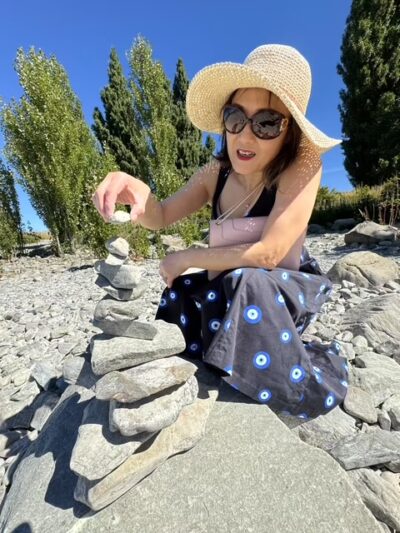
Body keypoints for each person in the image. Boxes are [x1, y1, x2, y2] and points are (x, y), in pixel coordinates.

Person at [92, 44, 349, 421]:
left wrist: (188, 256)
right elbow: (161, 215)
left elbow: (270, 254)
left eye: (266, 123)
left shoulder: (303, 164)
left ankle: (268, 374)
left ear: (289, 131)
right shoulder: (215, 172)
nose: (245, 137)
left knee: (251, 282)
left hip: (281, 289)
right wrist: (137, 190)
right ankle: (219, 359)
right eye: (234, 118)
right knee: (181, 291)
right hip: (227, 281)